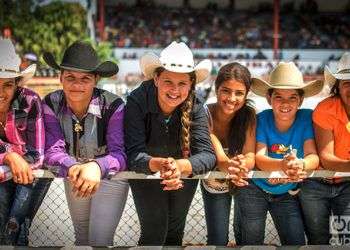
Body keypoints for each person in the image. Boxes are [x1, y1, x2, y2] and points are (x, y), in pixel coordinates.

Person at [124, 41, 216, 246]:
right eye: (168, 81)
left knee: (175, 232)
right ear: (156, 79)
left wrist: (179, 166)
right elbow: (133, 153)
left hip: (183, 171)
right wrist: (162, 165)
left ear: (191, 84)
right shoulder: (137, 101)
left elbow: (208, 155)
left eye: (182, 83)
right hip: (146, 170)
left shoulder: (196, 106)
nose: (175, 90)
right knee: (154, 231)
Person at [43, 41, 128, 246]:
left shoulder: (114, 105)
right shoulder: (50, 103)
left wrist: (96, 166)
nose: (77, 85)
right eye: (70, 77)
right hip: (74, 173)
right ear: (60, 77)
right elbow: (51, 151)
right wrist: (73, 166)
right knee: (81, 236)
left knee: (100, 240)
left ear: (96, 80)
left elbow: (120, 154)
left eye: (85, 79)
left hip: (110, 177)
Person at [235, 62, 322, 245]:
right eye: (278, 97)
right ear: (269, 98)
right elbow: (259, 157)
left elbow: (312, 155)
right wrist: (283, 166)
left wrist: (300, 165)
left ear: (300, 100)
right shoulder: (262, 119)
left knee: (295, 241)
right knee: (252, 240)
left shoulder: (306, 118)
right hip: (255, 189)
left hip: (285, 193)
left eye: (292, 97)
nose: (285, 103)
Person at [0, 38, 50, 245]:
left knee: (17, 228)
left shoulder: (30, 102)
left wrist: (6, 165)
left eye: (7, 85)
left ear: (17, 84)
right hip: (10, 169)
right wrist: (10, 156)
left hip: (31, 174)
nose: (1, 93)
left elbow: (38, 155)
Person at [200, 62, 256, 246]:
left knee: (247, 238)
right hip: (214, 184)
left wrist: (242, 165)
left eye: (239, 93)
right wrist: (234, 165)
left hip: (244, 181)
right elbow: (221, 160)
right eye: (226, 90)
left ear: (246, 94)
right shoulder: (203, 114)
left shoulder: (249, 116)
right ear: (216, 89)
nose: (232, 98)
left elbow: (250, 156)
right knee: (218, 239)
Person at [299, 52, 350, 245]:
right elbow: (327, 159)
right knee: (319, 241)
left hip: (346, 184)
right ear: (337, 87)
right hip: (316, 184)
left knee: (347, 240)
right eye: (347, 83)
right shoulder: (326, 109)